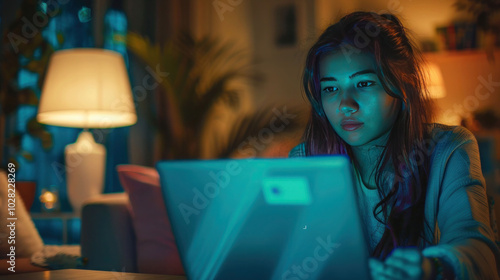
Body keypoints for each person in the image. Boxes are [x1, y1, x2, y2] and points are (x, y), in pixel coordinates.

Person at [289, 12, 500, 279]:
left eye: (364, 84)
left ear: (402, 88)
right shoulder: (306, 160)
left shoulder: (447, 150)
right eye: (330, 89)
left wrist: (431, 268)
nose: (345, 105)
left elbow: (476, 248)